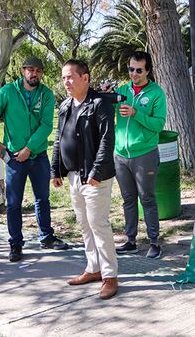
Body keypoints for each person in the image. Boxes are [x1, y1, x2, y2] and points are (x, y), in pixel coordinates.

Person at [0, 56, 69, 262]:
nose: (34, 74)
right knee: (14, 203)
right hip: (14, 158)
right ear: (23, 71)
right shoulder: (8, 92)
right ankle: (15, 243)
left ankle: (46, 237)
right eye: (30, 70)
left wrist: (29, 149)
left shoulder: (47, 95)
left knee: (43, 198)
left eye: (38, 70)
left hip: (38, 156)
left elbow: (46, 126)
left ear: (41, 73)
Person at [51, 59, 118, 299]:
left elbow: (107, 141)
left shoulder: (100, 104)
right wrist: (55, 170)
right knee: (84, 225)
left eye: (70, 77)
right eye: (63, 78)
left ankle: (110, 276)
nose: (66, 82)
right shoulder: (65, 105)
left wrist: (96, 172)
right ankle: (93, 268)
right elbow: (59, 138)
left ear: (85, 78)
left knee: (98, 224)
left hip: (94, 178)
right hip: (73, 176)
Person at [113, 51, 167, 259]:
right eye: (130, 69)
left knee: (147, 198)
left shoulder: (156, 93)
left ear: (148, 71)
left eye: (138, 70)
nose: (134, 74)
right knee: (128, 199)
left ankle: (154, 242)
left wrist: (137, 114)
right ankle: (131, 241)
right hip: (121, 155)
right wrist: (107, 95)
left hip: (145, 153)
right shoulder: (122, 91)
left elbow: (159, 124)